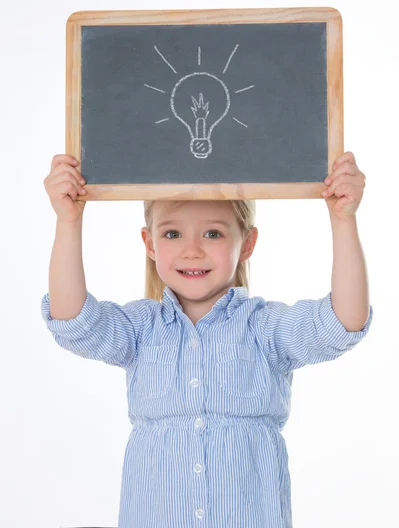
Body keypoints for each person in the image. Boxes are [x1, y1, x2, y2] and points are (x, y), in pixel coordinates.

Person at [41, 151, 373, 528]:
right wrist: (67, 221)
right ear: (150, 244)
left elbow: (343, 321)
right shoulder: (141, 330)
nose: (192, 249)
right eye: (172, 233)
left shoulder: (264, 329)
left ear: (246, 244)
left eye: (213, 233)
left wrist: (343, 220)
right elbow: (72, 321)